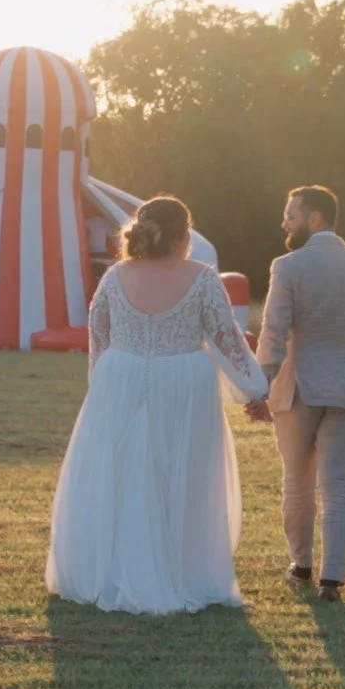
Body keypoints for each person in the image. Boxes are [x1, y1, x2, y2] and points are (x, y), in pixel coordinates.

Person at [46, 195, 268, 615]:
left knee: (118, 472)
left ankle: (112, 566)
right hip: (183, 379)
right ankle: (180, 570)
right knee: (181, 475)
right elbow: (229, 341)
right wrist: (254, 391)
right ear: (184, 235)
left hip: (120, 376)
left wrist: (103, 386)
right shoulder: (203, 278)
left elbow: (99, 338)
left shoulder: (113, 278)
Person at [253, 185, 345, 603]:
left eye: (291, 214)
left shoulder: (288, 266)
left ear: (314, 218)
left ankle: (302, 565)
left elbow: (274, 332)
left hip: (299, 389)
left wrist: (260, 386)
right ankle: (333, 578)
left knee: (298, 481)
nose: (285, 222)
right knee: (340, 485)